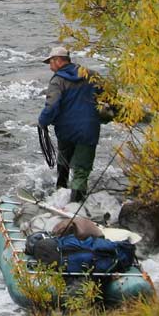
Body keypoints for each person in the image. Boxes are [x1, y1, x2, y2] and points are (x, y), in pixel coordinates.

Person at [38, 46, 101, 204]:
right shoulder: (91, 75)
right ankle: (76, 204)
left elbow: (51, 106)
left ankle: (60, 195)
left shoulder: (57, 80)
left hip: (66, 130)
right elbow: (108, 96)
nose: (50, 67)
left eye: (50, 62)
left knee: (63, 159)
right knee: (81, 171)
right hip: (89, 129)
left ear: (58, 61)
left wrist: (42, 122)